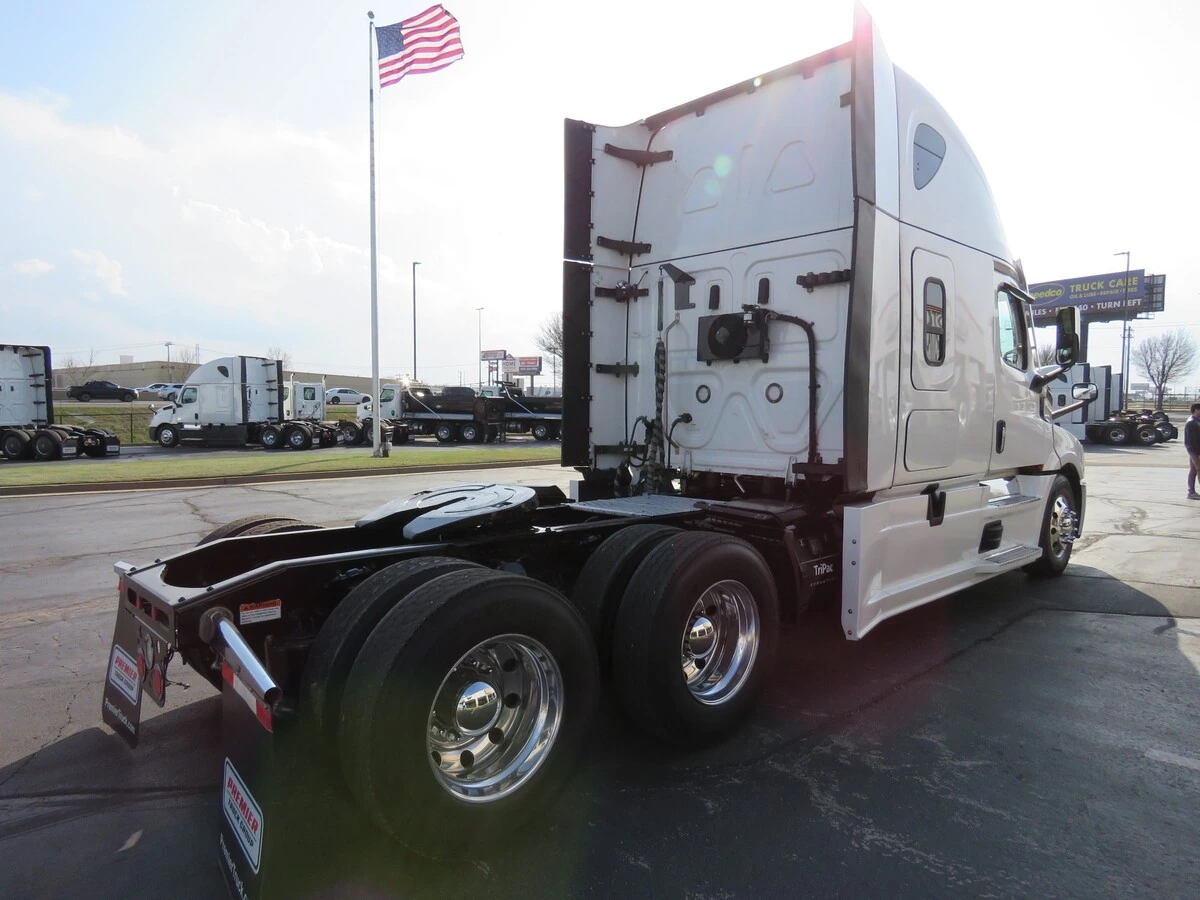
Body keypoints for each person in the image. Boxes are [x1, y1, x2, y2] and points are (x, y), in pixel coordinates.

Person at [1187, 402, 1200, 500]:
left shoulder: (1196, 421)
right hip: (1194, 450)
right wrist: (1197, 454)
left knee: (1194, 470)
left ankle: (1191, 492)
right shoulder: (1191, 422)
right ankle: (1191, 492)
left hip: (1194, 450)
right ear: (1196, 410)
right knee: (1198, 470)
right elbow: (1193, 441)